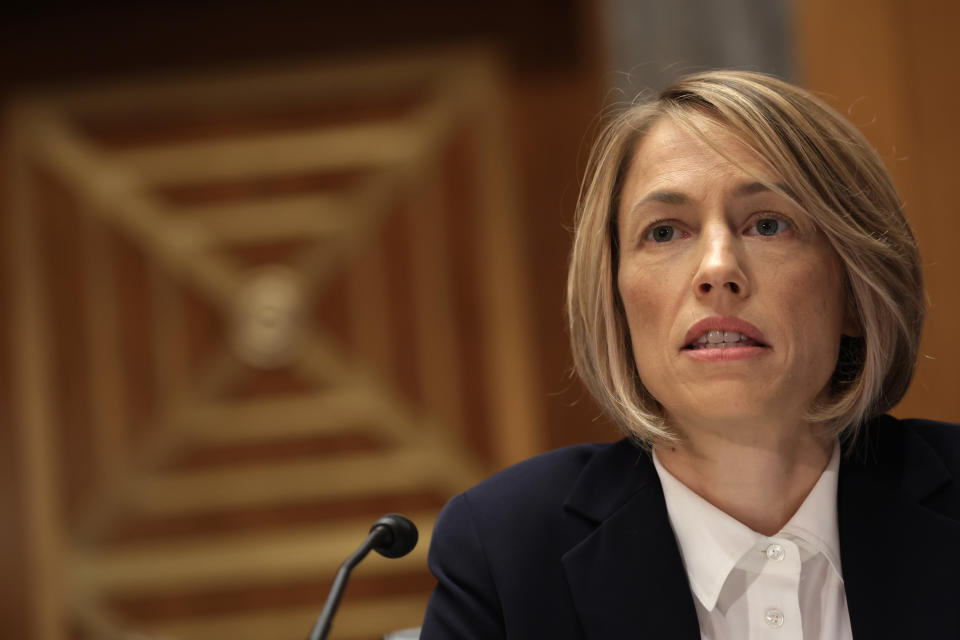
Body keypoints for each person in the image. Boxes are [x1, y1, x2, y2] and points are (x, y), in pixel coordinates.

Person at [419, 70, 960, 639]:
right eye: (665, 232)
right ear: (616, 299)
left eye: (768, 224)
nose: (717, 269)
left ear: (856, 289)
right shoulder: (507, 552)